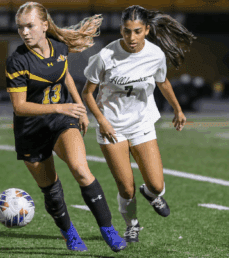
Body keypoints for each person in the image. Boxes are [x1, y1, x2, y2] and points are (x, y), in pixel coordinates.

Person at [6, 2, 126, 253]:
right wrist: (62, 107)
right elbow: (20, 107)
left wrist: (78, 106)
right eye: (20, 28)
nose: (25, 32)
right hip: (31, 130)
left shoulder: (59, 47)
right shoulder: (17, 60)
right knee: (51, 190)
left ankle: (108, 230)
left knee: (82, 170)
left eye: (30, 26)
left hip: (61, 121)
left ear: (44, 26)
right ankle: (69, 232)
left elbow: (64, 74)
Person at [82, 5, 195, 243]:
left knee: (156, 184)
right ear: (121, 30)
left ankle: (151, 194)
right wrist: (101, 121)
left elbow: (162, 82)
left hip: (142, 123)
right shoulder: (105, 56)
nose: (131, 38)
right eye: (126, 31)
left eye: (136, 31)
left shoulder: (155, 55)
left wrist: (177, 108)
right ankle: (132, 225)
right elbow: (87, 93)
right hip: (112, 127)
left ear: (146, 30)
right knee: (126, 189)